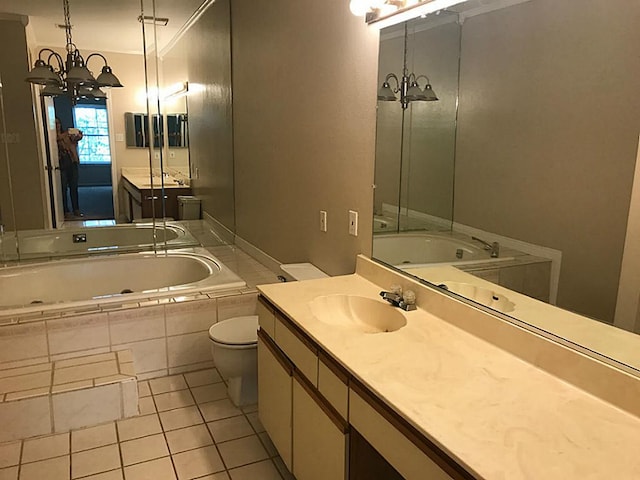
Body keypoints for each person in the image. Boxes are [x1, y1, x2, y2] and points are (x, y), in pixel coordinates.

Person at [56, 118, 83, 218]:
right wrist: (64, 133)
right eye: (55, 123)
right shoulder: (52, 137)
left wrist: (77, 134)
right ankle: (65, 211)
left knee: (74, 187)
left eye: (58, 123)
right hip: (61, 165)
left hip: (72, 163)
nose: (57, 125)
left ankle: (76, 209)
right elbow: (57, 138)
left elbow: (78, 138)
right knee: (63, 188)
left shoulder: (67, 135)